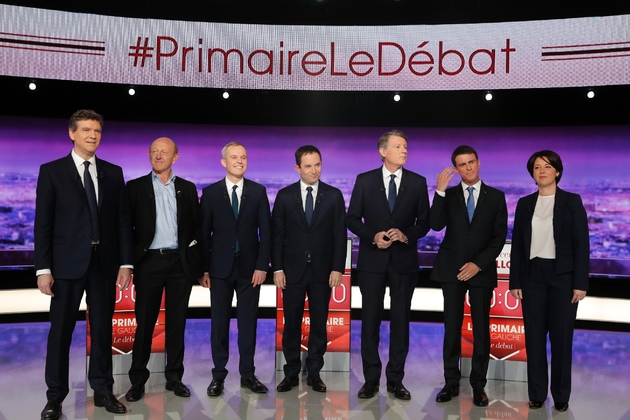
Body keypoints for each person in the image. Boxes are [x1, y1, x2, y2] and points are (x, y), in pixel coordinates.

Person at [35, 110, 133, 419]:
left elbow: (122, 223)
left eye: (98, 131)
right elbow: (43, 224)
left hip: (104, 264)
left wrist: (126, 263)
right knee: (61, 332)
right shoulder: (51, 171)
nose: (93, 135)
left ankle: (103, 391)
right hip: (65, 266)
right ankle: (55, 398)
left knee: (103, 331)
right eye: (87, 130)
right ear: (72, 133)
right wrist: (43, 269)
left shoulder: (113, 172)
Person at [346, 130, 430, 400]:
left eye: (405, 146)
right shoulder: (365, 180)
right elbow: (352, 219)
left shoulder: (418, 182)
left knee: (400, 322)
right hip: (372, 262)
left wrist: (406, 235)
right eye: (398, 146)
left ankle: (395, 380)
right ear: (383, 151)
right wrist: (372, 236)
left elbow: (424, 223)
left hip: (404, 263)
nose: (404, 150)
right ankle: (371, 380)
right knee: (370, 322)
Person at [124, 137, 204, 402]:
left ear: (175, 157)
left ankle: (174, 378)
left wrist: (199, 265)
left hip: (180, 265)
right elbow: (126, 229)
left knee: (177, 323)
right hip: (149, 263)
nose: (159, 156)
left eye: (164, 152)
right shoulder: (135, 187)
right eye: (155, 152)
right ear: (148, 155)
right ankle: (137, 381)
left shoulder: (188, 188)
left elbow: (196, 230)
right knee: (144, 323)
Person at [509, 150, 589, 413]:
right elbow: (518, 247)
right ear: (532, 174)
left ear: (557, 171)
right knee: (533, 337)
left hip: (563, 277)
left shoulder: (571, 201)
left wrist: (580, 283)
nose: (541, 171)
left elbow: (581, 244)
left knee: (562, 338)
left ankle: (562, 395)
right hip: (532, 277)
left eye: (547, 166)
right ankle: (536, 394)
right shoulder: (524, 204)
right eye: (536, 167)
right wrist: (515, 282)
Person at [429, 145, 508, 407]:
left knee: (481, 331)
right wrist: (439, 191)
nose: (468, 167)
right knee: (451, 328)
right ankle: (451, 383)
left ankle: (478, 386)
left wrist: (478, 264)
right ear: (457, 168)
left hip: (481, 271)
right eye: (462, 165)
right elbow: (436, 224)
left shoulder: (496, 197)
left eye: (471, 162)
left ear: (479, 162)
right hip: (451, 269)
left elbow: (498, 238)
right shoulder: (449, 195)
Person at [272, 145, 347, 393]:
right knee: (291, 323)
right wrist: (278, 268)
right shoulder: (284, 196)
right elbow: (277, 236)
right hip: (291, 272)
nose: (314, 170)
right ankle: (291, 373)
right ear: (297, 168)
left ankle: (314, 373)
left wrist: (338, 268)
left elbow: (339, 235)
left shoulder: (334, 195)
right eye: (308, 166)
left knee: (318, 323)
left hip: (323, 272)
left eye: (317, 165)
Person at [200, 141, 272, 396]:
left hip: (250, 270)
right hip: (219, 270)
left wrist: (263, 266)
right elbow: (204, 234)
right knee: (219, 324)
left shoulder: (258, 191)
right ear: (224, 162)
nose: (240, 161)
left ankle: (248, 375)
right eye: (234, 157)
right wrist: (204, 269)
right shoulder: (210, 193)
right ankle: (218, 376)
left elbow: (266, 232)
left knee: (248, 323)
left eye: (243, 157)